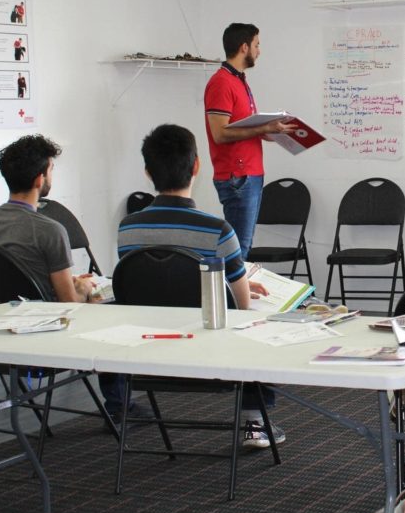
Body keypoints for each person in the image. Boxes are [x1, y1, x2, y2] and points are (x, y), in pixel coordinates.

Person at [116, 123, 283, 449]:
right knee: (261, 317)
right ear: (196, 166)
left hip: (147, 345)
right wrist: (244, 284)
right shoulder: (217, 230)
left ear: (148, 173)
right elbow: (241, 307)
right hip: (208, 342)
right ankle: (253, 420)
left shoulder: (128, 229)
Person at [204, 22, 296, 254]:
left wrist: (273, 130)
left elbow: (245, 127)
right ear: (244, 47)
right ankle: (231, 291)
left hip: (250, 173)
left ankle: (237, 290)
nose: (259, 50)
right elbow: (220, 133)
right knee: (238, 251)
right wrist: (263, 127)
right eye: (257, 44)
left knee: (243, 247)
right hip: (237, 176)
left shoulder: (239, 80)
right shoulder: (221, 82)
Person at [0, 134, 96, 304]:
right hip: (45, 320)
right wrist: (83, 288)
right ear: (39, 179)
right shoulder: (51, 230)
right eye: (51, 169)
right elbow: (70, 303)